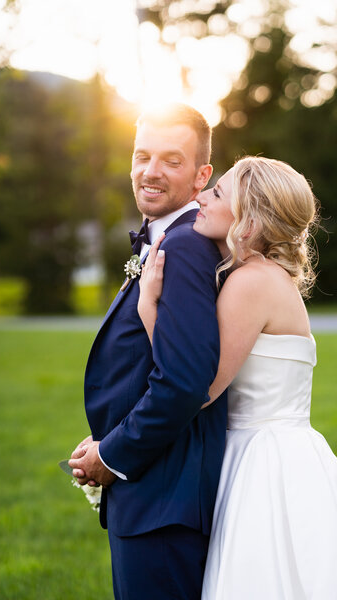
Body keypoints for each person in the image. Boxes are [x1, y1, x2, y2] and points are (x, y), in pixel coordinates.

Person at [139, 155, 337, 599]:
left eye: (216, 194)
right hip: (286, 448)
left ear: (247, 223)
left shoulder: (251, 282)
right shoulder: (265, 276)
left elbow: (199, 388)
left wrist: (148, 309)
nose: (201, 196)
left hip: (263, 460)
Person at [68, 104, 227, 600]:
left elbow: (183, 381)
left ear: (202, 175)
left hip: (164, 498)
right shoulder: (163, 240)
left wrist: (111, 456)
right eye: (142, 156)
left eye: (171, 161)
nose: (150, 171)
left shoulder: (182, 247)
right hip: (155, 488)